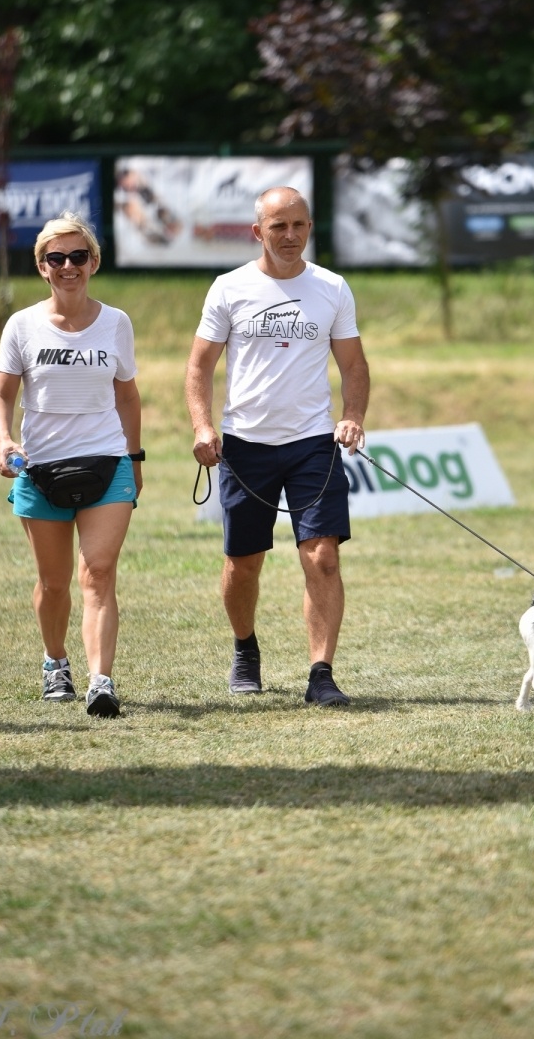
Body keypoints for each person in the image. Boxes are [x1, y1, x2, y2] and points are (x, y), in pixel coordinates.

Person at [186, 185, 370, 706]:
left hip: (314, 443)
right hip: (245, 446)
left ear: (310, 228)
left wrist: (352, 417)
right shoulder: (228, 288)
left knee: (323, 557)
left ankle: (321, 673)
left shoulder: (332, 287)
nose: (290, 236)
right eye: (278, 227)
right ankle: (245, 648)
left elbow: (353, 365)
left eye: (298, 225)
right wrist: (203, 427)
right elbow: (199, 366)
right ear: (257, 231)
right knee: (243, 563)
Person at [0, 211, 144, 718]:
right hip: (40, 468)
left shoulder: (116, 323)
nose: (68, 266)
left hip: (107, 462)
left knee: (97, 573)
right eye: (57, 258)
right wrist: (3, 439)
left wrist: (134, 459)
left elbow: (128, 398)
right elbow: (0, 396)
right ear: (42, 267)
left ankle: (102, 681)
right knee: (53, 583)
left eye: (78, 256)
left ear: (94, 261)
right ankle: (56, 662)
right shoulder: (22, 325)